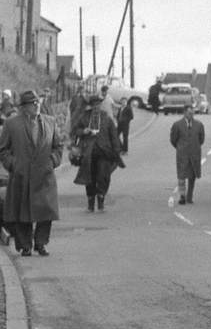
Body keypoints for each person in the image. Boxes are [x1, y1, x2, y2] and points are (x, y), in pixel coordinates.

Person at [0, 90, 63, 256]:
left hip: (45, 175)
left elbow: (58, 146)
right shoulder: (12, 124)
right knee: (22, 213)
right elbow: (3, 150)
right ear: (24, 107)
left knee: (46, 211)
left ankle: (41, 243)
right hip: (21, 175)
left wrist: (52, 162)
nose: (36, 105)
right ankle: (25, 245)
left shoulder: (50, 122)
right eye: (32, 103)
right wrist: (13, 165)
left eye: (37, 103)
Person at [72, 93, 123, 212]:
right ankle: (90, 204)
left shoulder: (106, 118)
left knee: (103, 176)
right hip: (88, 153)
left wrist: (116, 151)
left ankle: (101, 201)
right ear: (90, 105)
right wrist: (84, 131)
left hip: (104, 152)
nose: (96, 106)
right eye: (94, 104)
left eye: (98, 104)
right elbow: (76, 130)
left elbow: (114, 136)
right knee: (89, 178)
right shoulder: (84, 117)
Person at [170, 104, 205, 204]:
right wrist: (181, 148)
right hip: (182, 155)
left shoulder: (199, 125)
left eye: (193, 113)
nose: (191, 115)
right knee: (181, 176)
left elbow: (201, 140)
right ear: (184, 113)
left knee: (192, 176)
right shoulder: (177, 125)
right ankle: (182, 196)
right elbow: (173, 140)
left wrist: (195, 147)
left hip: (194, 155)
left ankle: (189, 196)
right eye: (189, 113)